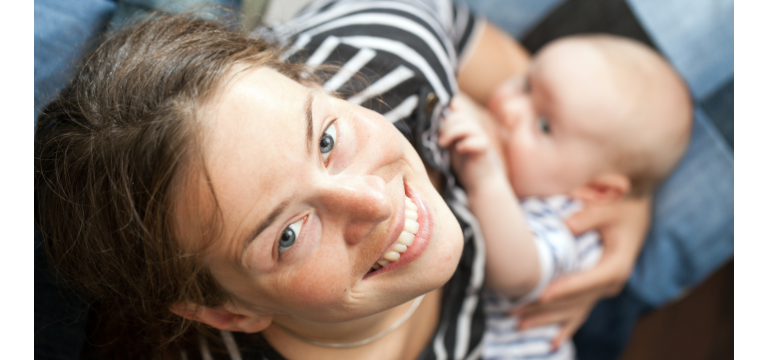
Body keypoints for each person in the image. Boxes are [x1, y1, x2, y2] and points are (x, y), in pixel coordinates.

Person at [33, 1, 652, 358]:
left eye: (327, 139)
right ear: (227, 312)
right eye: (289, 234)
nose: (374, 200)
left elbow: (461, 31)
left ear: (311, 83)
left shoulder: (388, 61)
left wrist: (615, 181)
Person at [438, 35, 691, 359]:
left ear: (597, 190)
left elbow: (516, 275)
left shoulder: (573, 222)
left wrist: (486, 181)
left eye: (543, 125)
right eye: (526, 85)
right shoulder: (534, 176)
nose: (509, 108)